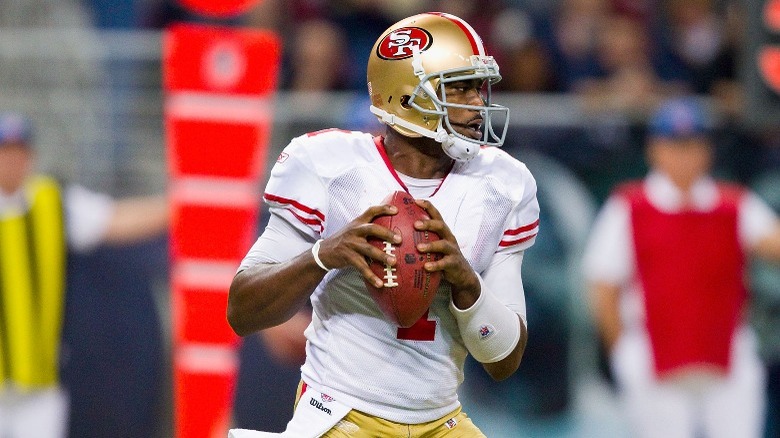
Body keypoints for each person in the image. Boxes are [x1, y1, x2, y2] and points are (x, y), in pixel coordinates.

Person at [227, 12, 540, 437]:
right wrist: (324, 256)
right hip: (341, 412)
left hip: (441, 419)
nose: (477, 103)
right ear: (407, 96)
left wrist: (466, 282)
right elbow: (243, 311)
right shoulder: (329, 167)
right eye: (460, 88)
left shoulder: (503, 183)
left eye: (479, 88)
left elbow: (504, 360)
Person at [582, 97, 780, 438]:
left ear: (707, 151)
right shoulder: (630, 206)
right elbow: (603, 286)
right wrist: (623, 353)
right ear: (655, 150)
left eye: (693, 145)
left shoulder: (733, 204)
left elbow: (772, 245)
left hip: (726, 354)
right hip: (652, 356)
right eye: (675, 146)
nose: (684, 156)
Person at [0, 112, 169, 438]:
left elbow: (116, 220)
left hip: (38, 388)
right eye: (5, 152)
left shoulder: (51, 201)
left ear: (30, 157)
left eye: (18, 152)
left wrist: (183, 205)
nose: (11, 161)